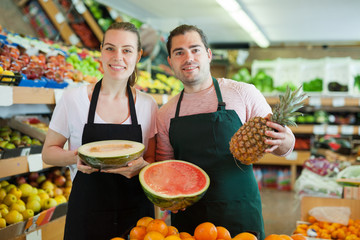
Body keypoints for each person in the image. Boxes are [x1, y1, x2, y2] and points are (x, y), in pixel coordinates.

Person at [156, 24, 296, 240]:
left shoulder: (242, 92)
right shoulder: (165, 113)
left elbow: (284, 147)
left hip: (239, 211)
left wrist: (284, 139)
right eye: (179, 52)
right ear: (170, 61)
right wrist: (167, 198)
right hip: (189, 217)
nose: (188, 58)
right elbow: (166, 166)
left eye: (195, 49)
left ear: (208, 55)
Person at [42, 22, 158, 240]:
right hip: (87, 214)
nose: (118, 57)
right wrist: (73, 158)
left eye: (127, 50)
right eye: (110, 48)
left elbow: (151, 159)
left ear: (138, 55)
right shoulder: (72, 99)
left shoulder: (148, 105)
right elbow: (48, 152)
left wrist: (143, 167)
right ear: (101, 51)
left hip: (137, 218)